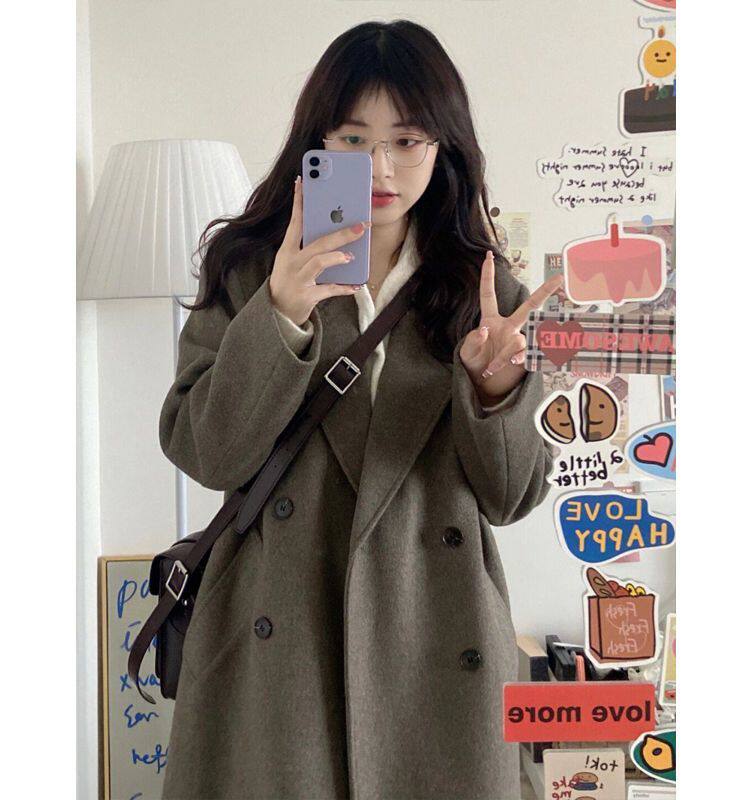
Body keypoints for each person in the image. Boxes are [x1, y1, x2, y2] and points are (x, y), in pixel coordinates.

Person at [159, 18, 558, 800]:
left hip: (432, 635)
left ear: (443, 147)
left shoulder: (484, 291)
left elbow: (511, 499)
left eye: (407, 140)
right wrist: (280, 314)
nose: (379, 166)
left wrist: (493, 391)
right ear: (318, 143)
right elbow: (206, 453)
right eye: (352, 139)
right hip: (283, 638)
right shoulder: (250, 269)